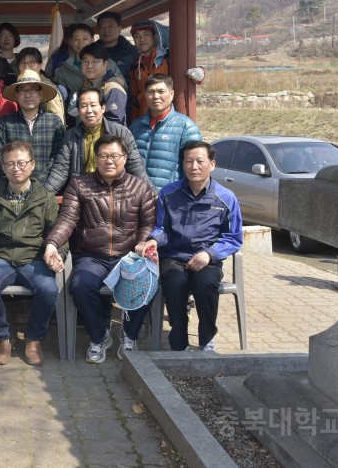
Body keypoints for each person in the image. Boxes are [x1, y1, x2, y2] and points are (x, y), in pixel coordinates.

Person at [44, 135, 158, 362]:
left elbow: (148, 223)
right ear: (96, 158)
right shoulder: (79, 184)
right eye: (103, 156)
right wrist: (52, 244)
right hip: (91, 256)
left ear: (125, 157)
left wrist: (144, 242)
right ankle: (99, 336)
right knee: (80, 285)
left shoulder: (140, 186)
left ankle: (129, 334)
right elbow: (67, 219)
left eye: (115, 155)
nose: (109, 161)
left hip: (128, 255)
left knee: (146, 280)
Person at [135, 141, 243, 352]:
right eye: (189, 161)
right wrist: (153, 240)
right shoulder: (168, 194)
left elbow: (233, 238)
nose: (194, 166)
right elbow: (161, 228)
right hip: (173, 257)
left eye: (200, 161)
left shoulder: (226, 198)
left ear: (212, 164)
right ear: (182, 164)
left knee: (206, 284)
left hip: (207, 259)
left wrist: (209, 254)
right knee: (174, 283)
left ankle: (206, 339)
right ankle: (178, 342)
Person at [0, 141, 61, 366]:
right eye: (10, 164)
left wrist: (55, 251)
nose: (16, 168)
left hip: (34, 258)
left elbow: (57, 232)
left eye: (21, 163)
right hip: (3, 257)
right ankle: (3, 336)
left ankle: (33, 338)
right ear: (3, 167)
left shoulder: (46, 197)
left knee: (49, 289)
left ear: (32, 165)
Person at [45, 87, 149, 194]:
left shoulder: (121, 133)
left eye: (93, 105)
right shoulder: (70, 136)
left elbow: (136, 168)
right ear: (78, 110)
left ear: (103, 108)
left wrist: (153, 195)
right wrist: (43, 198)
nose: (89, 110)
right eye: (84, 106)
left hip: (114, 194)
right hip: (82, 194)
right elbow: (60, 171)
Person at [130, 75, 202, 190]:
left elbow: (193, 168)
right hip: (138, 197)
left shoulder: (186, 127)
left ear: (172, 94)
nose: (155, 96)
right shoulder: (136, 126)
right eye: (151, 92)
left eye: (161, 91)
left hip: (169, 198)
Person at [0, 71, 65, 184]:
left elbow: (59, 158)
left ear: (41, 94)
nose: (28, 95)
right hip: (14, 188)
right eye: (23, 90)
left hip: (47, 191)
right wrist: (16, 183)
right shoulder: (5, 123)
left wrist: (46, 189)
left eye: (33, 89)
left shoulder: (54, 122)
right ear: (17, 95)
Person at [68, 43, 127, 125]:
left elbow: (115, 125)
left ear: (105, 64)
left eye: (94, 62)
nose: (89, 66)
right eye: (85, 61)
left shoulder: (112, 89)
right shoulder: (87, 86)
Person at [129, 19, 170, 121]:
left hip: (167, 118)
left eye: (146, 34)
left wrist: (200, 71)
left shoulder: (167, 58)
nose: (142, 39)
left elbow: (187, 69)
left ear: (155, 36)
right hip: (144, 120)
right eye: (137, 36)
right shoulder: (135, 66)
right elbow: (134, 99)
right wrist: (135, 124)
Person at [17, 47, 65, 123]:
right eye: (22, 63)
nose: (26, 67)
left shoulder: (47, 87)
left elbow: (57, 116)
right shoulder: (18, 84)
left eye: (31, 63)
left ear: (40, 65)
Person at [98, 12, 139, 94]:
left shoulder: (133, 52)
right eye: (102, 27)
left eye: (110, 26)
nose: (106, 31)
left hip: (127, 101)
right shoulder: (91, 52)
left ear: (119, 29)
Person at [53, 23, 97, 98]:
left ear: (93, 40)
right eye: (76, 39)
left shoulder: (105, 62)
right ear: (71, 42)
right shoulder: (63, 70)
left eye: (84, 39)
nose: (80, 42)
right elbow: (59, 98)